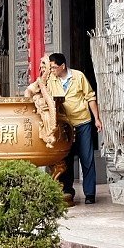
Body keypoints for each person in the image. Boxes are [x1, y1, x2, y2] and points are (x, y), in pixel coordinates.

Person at [45, 52, 102, 205]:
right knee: (65, 158)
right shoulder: (50, 79)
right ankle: (67, 190)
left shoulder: (78, 76)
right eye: (50, 68)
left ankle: (90, 194)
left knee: (87, 158)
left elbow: (90, 97)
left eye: (54, 67)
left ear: (63, 66)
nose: (52, 70)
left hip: (82, 122)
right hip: (64, 125)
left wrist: (97, 119)